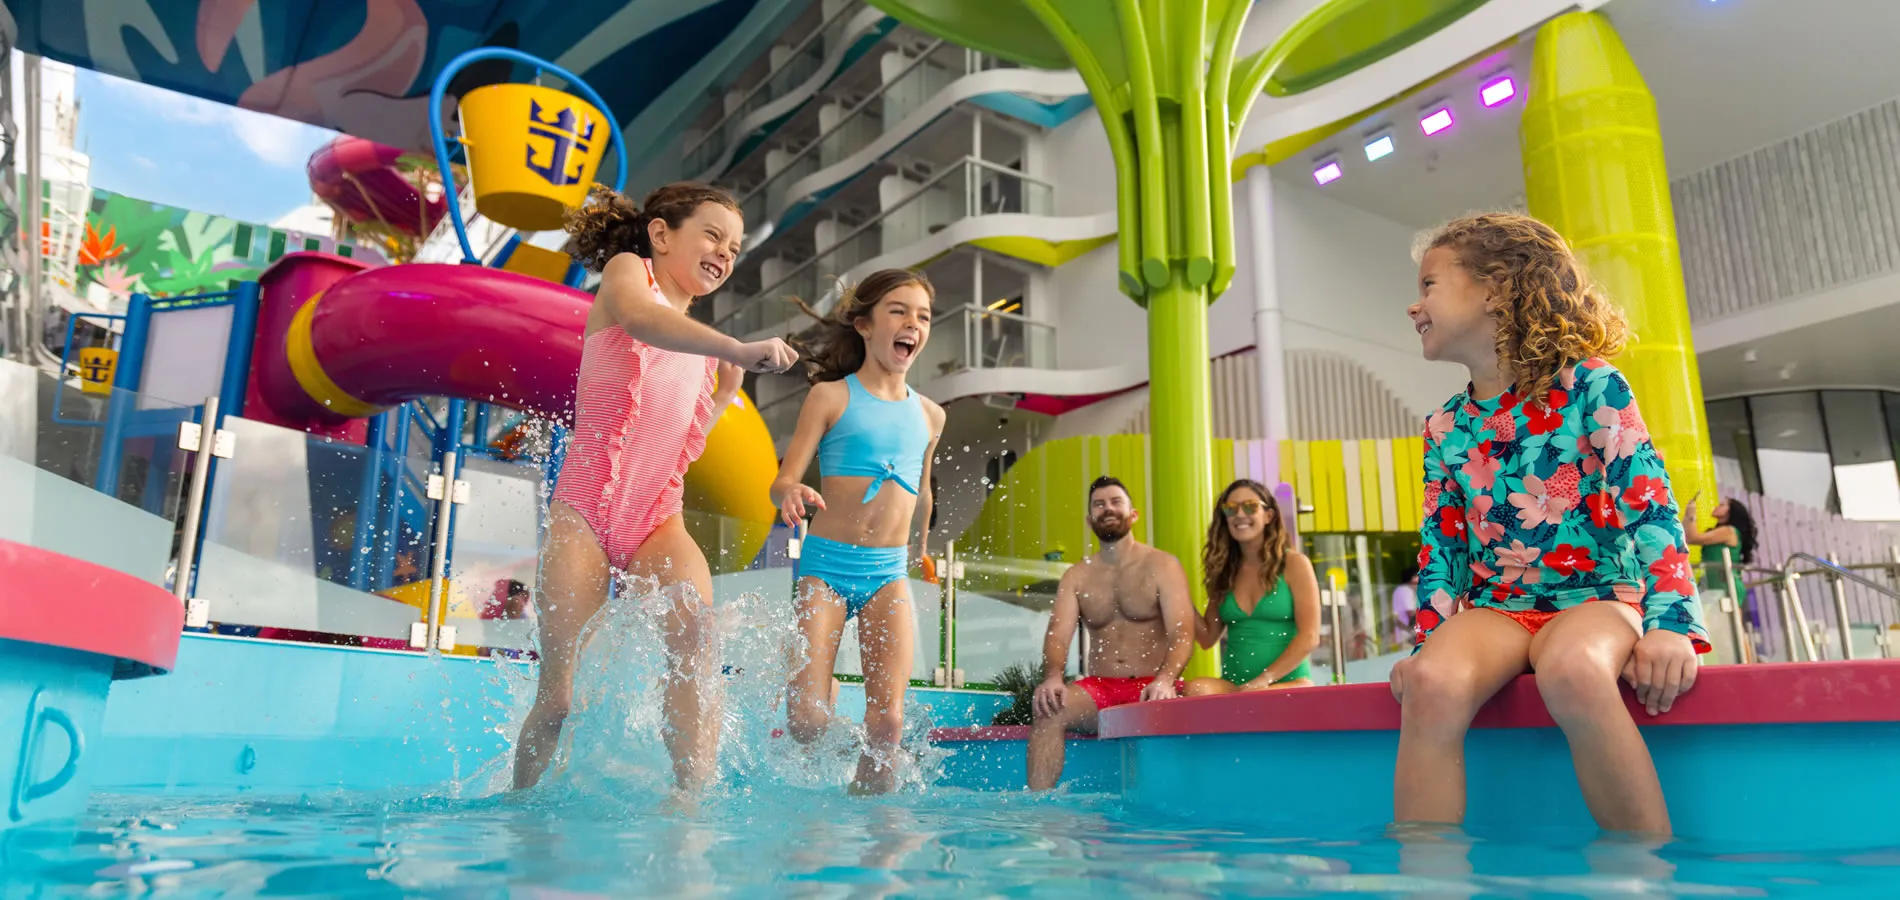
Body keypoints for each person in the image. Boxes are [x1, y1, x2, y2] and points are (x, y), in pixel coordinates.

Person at [1392, 212, 1709, 835]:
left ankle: (1645, 870)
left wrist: (1672, 625)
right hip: (1499, 607)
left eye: (1428, 285)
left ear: (1496, 288)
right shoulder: (1444, 426)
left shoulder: (1592, 387)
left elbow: (1649, 504)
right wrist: (1427, 638)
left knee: (1571, 669)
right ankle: (1427, 877)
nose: (1413, 305)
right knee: (1430, 682)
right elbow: (1442, 548)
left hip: (1596, 596)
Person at [513, 183, 799, 793]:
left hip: (656, 519)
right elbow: (644, 321)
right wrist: (739, 350)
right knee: (560, 696)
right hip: (585, 511)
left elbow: (679, 451)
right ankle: (521, 806)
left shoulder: (697, 351)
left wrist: (721, 395)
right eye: (713, 235)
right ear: (662, 235)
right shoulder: (628, 275)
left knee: (698, 637)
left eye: (735, 246)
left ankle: (689, 804)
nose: (725, 252)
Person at [771, 268, 946, 794]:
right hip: (825, 567)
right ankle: (856, 752)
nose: (912, 323)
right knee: (805, 721)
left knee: (889, 723)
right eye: (899, 310)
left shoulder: (932, 415)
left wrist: (922, 546)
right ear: (865, 325)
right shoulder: (830, 396)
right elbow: (784, 478)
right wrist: (791, 495)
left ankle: (870, 829)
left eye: (923, 316)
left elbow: (923, 489)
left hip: (888, 574)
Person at [1028, 476, 1194, 790]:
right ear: (1089, 519)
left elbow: (1183, 633)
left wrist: (1166, 679)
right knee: (1050, 712)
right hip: (1100, 690)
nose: (1108, 508)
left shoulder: (1162, 565)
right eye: (1099, 504)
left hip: (1152, 687)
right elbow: (1058, 635)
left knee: (1201, 696)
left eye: (1116, 501)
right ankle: (1040, 813)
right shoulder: (1078, 575)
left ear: (1133, 514)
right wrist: (1052, 675)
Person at [1183, 479, 1321, 695]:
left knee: (1258, 696)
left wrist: (1264, 680)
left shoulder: (1294, 564)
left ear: (1269, 515)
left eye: (1250, 506)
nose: (1239, 514)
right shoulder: (1225, 572)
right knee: (1195, 689)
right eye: (1231, 509)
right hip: (1237, 686)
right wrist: (1177, 595)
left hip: (1287, 683)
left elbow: (1310, 636)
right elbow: (1208, 637)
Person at [1390, 566, 1420, 650]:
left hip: (1404, 635)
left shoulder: (1399, 590)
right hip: (1409, 636)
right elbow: (1411, 613)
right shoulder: (1406, 591)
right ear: (1412, 578)